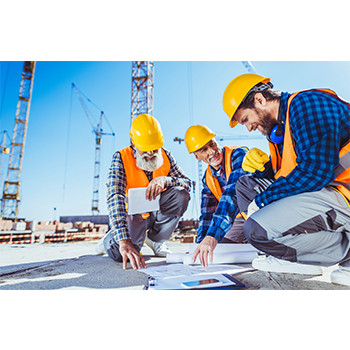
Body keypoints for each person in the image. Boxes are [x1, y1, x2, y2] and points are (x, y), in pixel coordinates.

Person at [221, 73, 350, 286]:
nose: (249, 127)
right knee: (247, 186)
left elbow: (315, 171)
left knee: (257, 230)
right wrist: (264, 173)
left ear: (259, 100)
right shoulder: (281, 129)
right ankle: (300, 259)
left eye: (246, 119)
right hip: (328, 191)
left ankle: (346, 253)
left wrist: (263, 201)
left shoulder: (306, 104)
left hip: (343, 194)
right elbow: (291, 174)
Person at [96, 114, 191, 270]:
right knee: (123, 255)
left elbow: (187, 183)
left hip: (156, 213)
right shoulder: (121, 158)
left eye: (154, 148)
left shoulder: (166, 156)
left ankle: (156, 240)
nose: (151, 153)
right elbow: (115, 197)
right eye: (145, 149)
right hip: (132, 217)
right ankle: (111, 238)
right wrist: (124, 241)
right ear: (133, 143)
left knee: (181, 194)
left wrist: (165, 180)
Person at [184, 125, 251, 267]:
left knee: (217, 238)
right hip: (238, 220)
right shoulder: (207, 179)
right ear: (197, 157)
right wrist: (199, 246)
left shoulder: (238, 155)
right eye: (204, 150)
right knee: (218, 249)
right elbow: (207, 215)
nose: (212, 151)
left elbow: (232, 193)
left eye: (212, 143)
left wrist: (213, 236)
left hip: (257, 212)